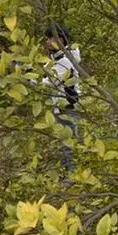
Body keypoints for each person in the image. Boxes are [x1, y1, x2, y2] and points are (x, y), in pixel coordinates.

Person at [43, 24, 81, 173]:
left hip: (67, 107)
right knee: (64, 141)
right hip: (61, 106)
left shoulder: (65, 60)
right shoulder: (57, 58)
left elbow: (49, 82)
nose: (47, 41)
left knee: (68, 142)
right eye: (47, 38)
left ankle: (72, 176)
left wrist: (28, 79)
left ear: (61, 40)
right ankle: (68, 173)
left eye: (51, 38)